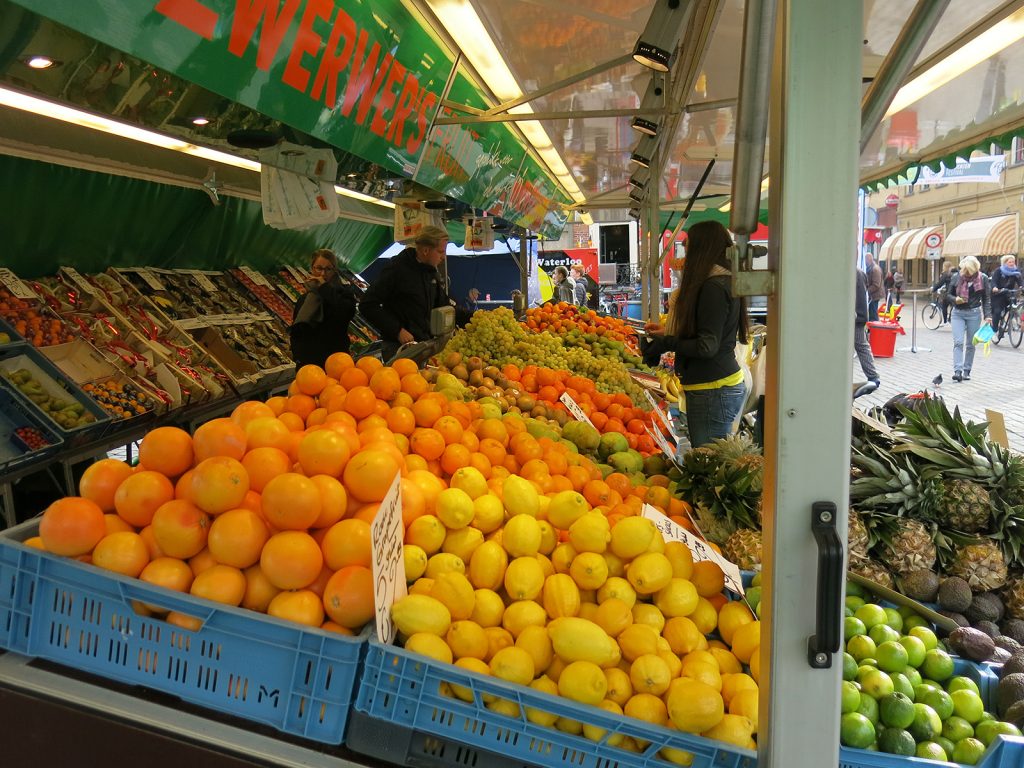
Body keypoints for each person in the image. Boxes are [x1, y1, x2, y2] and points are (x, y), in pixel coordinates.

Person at [643, 220, 747, 448]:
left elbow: (706, 346)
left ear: (702, 248)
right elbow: (708, 331)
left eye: (688, 246)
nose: (685, 253)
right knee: (708, 457)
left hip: (714, 389)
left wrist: (668, 340)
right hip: (713, 387)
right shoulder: (723, 280)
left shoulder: (713, 287)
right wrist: (668, 332)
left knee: (708, 461)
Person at [359, 226, 472, 360]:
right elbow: (367, 305)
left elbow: (446, 307)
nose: (443, 257)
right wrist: (397, 331)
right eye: (440, 251)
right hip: (398, 349)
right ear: (425, 250)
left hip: (422, 347)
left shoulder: (431, 274)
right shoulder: (397, 269)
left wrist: (474, 317)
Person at [288, 248, 357, 368]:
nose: (323, 274)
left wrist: (324, 288)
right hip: (308, 364)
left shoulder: (344, 294)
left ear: (334, 271)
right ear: (312, 269)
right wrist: (298, 355)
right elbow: (297, 328)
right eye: (319, 268)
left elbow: (345, 313)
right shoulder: (305, 298)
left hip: (335, 363)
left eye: (328, 269)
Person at [948, 255, 992, 382]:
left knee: (971, 344)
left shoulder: (982, 278)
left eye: (968, 271)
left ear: (974, 269)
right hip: (958, 313)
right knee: (958, 342)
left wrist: (988, 315)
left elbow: (986, 298)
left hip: (974, 313)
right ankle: (958, 371)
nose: (965, 273)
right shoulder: (957, 277)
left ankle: (967, 371)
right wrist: (955, 299)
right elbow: (948, 294)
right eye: (964, 270)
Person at [854, 265, 879, 386]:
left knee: (861, 346)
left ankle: (873, 376)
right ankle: (873, 376)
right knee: (862, 346)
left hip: (855, 316)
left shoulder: (850, 274)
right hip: (860, 315)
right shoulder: (860, 273)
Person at [990, 255, 1022, 339]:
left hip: (1009, 293)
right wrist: (994, 287)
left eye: (1013, 262)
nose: (1012, 264)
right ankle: (995, 329)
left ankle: (1012, 320)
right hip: (998, 294)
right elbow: (994, 281)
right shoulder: (999, 271)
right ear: (1005, 263)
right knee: (997, 312)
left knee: (1014, 307)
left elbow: (1020, 281)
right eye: (1010, 262)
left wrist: (1021, 287)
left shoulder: (1016, 271)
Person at [865, 253, 884, 320]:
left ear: (868, 260)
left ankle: (875, 329)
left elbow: (876, 285)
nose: (865, 262)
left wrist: (867, 291)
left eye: (865, 260)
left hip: (874, 296)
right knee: (872, 313)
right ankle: (873, 328)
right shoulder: (872, 268)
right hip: (873, 295)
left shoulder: (875, 269)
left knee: (873, 315)